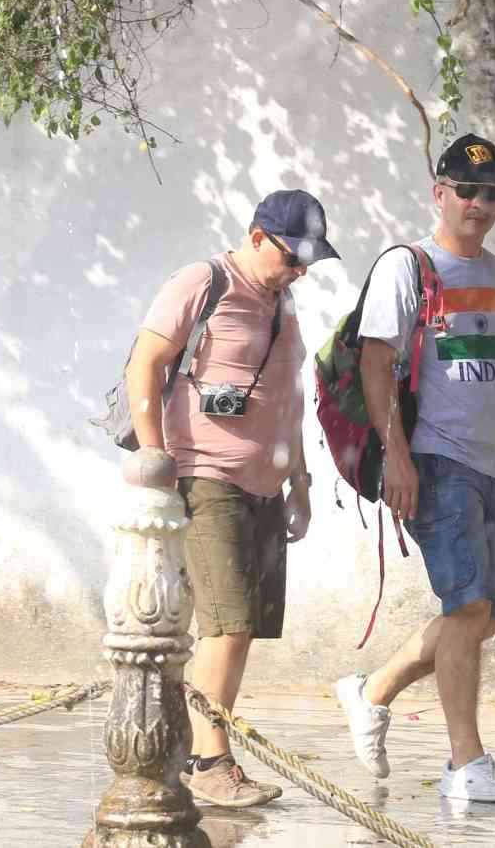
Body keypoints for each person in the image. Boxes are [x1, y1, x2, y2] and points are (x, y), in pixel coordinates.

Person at [336, 134, 495, 803]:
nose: (480, 204)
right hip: (435, 459)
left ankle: (371, 691)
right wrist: (397, 455)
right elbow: (377, 362)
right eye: (467, 190)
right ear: (440, 193)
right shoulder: (411, 267)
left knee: (485, 618)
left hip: (491, 469)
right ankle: (466, 765)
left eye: (492, 195)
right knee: (468, 609)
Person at [126, 189, 339, 808]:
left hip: (264, 484)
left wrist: (298, 478)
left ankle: (185, 744)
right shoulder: (203, 281)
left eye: (308, 261)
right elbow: (148, 361)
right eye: (293, 256)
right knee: (229, 622)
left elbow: (287, 396)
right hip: (204, 475)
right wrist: (154, 456)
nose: (299, 270)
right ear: (256, 237)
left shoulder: (284, 303)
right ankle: (208, 761)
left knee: (239, 628)